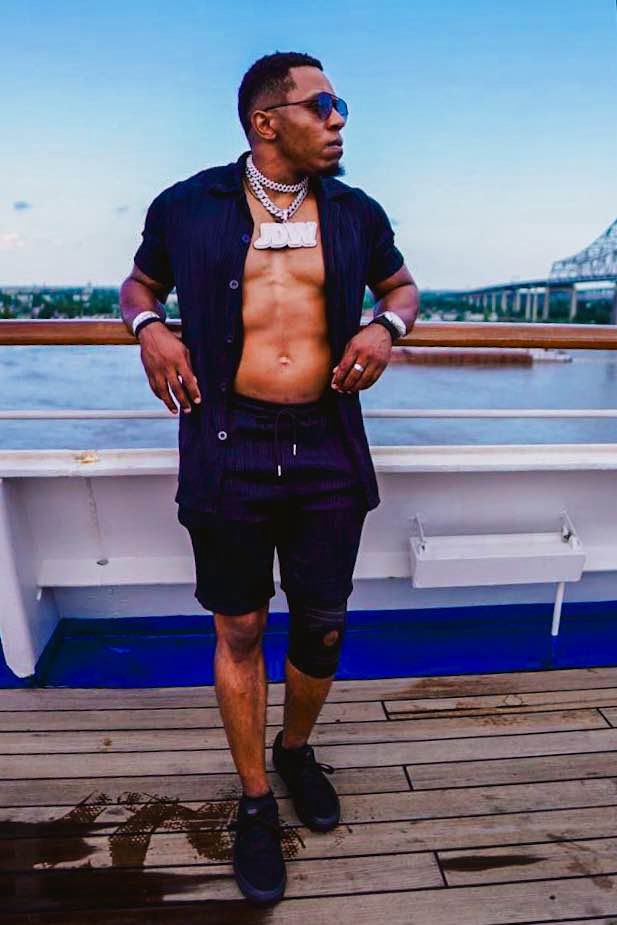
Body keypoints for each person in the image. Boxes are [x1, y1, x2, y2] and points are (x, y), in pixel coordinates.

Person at [119, 50, 419, 906]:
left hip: (326, 443)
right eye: (322, 104)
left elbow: (401, 288)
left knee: (321, 624)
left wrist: (385, 329)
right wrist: (150, 328)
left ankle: (295, 750)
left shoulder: (356, 212)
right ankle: (255, 798)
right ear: (265, 121)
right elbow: (139, 283)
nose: (338, 118)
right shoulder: (187, 205)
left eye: (339, 104)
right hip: (229, 443)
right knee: (241, 625)